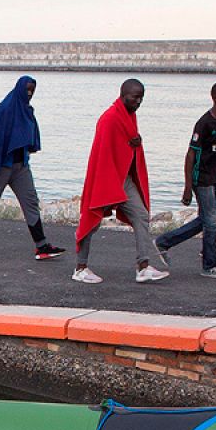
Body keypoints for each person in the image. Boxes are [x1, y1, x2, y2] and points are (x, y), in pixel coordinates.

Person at [73, 79, 169, 284]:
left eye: (141, 97)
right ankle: (80, 268)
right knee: (92, 220)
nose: (139, 101)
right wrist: (129, 144)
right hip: (107, 178)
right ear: (123, 94)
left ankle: (143, 266)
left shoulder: (129, 116)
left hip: (123, 178)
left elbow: (125, 143)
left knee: (141, 215)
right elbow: (104, 152)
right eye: (135, 97)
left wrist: (135, 143)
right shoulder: (109, 118)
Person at [0, 75, 65, 261]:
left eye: (32, 90)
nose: (30, 93)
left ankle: (41, 246)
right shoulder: (5, 110)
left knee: (31, 201)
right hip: (2, 165)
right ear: (19, 89)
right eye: (27, 90)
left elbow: (29, 135)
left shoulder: (26, 110)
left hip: (21, 166)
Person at [154, 81, 216, 278]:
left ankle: (164, 241)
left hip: (214, 175)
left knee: (206, 220)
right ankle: (209, 265)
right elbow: (190, 154)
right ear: (215, 98)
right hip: (201, 177)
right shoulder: (204, 123)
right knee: (212, 222)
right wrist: (188, 187)